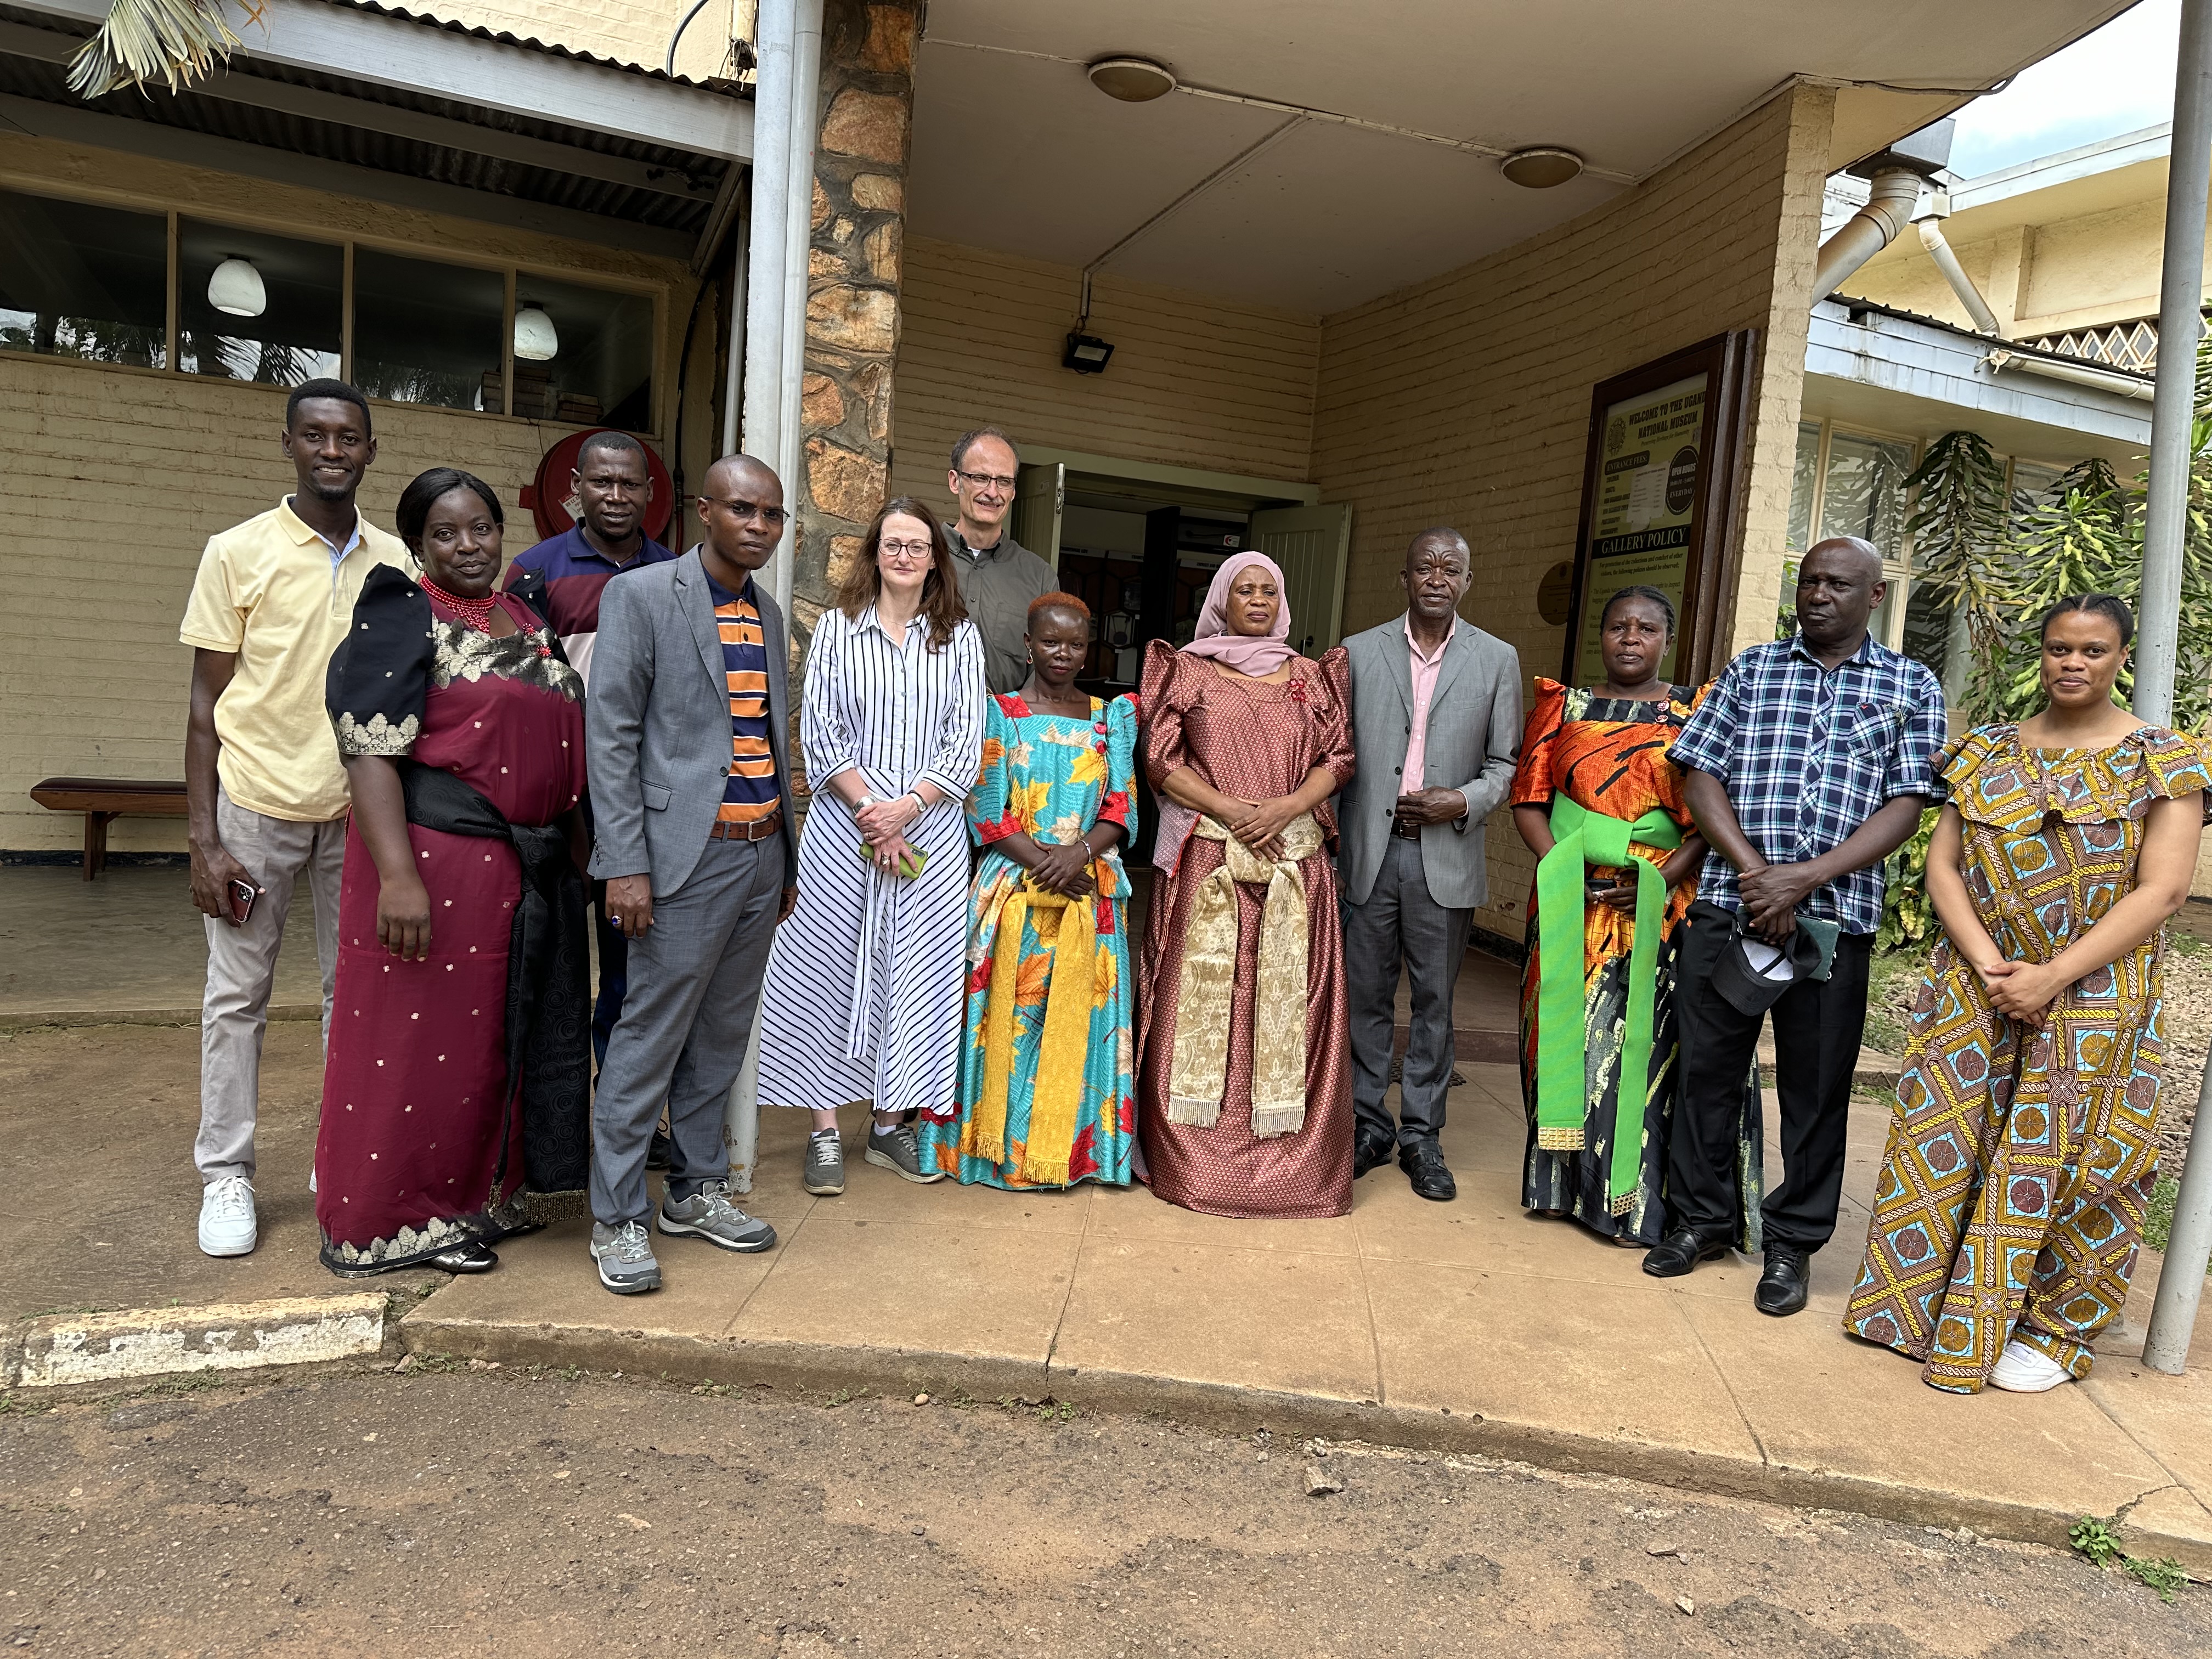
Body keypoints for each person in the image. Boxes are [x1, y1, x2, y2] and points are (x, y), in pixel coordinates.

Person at [1846, 595, 2208, 1393]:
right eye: (2058, 648)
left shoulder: (2165, 759)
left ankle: (2053, 1329)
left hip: (2097, 990)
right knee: (1947, 1139)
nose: (2072, 663)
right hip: (1979, 983)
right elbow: (1942, 865)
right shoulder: (1986, 752)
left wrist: (2053, 975)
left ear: (2122, 659)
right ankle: (1920, 1306)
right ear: (2039, 655)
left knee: (2081, 1156)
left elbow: (2165, 891)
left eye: (2092, 649)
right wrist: (1990, 965)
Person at [1649, 537, 1945, 1316]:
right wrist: (1756, 876)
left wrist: (1806, 879)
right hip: (1728, 907)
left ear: (1874, 597)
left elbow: (1908, 803)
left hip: (1834, 921)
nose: (1818, 595)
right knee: (1706, 1072)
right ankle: (1701, 1222)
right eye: (1809, 581)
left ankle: (1792, 1245)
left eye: (1838, 584)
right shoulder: (1751, 670)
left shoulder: (1910, 683)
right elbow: (1700, 771)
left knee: (1816, 1093)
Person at [317, 469, 591, 1276]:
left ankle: (480, 1199)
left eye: (480, 529)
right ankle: (394, 1221)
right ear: (416, 545)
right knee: (418, 1044)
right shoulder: (403, 613)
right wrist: (399, 879)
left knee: (494, 1043)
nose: (468, 546)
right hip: (437, 864)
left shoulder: (523, 614)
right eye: (446, 533)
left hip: (524, 870)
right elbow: (369, 748)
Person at [179, 378, 408, 1259]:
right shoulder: (236, 551)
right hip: (255, 811)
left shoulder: (394, 561)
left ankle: (337, 1157)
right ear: (288, 445)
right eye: (315, 436)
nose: (332, 450)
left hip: (357, 815)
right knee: (237, 996)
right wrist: (203, 841)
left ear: (369, 451)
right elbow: (204, 708)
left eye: (348, 437)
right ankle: (226, 1174)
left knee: (352, 996)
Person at [583, 454, 799, 1295]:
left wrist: (783, 858)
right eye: (743, 510)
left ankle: (696, 1190)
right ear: (705, 512)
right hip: (680, 860)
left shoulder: (769, 613)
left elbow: (771, 740)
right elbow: (613, 739)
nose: (758, 526)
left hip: (760, 853)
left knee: (720, 1036)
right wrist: (625, 864)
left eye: (772, 515)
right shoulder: (641, 597)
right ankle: (617, 1217)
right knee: (649, 1035)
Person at [756, 497, 986, 1195]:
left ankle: (889, 1124)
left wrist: (909, 808)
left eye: (919, 546)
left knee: (917, 976)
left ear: (936, 559)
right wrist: (871, 812)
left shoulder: (960, 638)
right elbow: (820, 729)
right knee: (827, 966)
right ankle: (825, 1130)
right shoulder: (836, 631)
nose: (906, 556)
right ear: (874, 553)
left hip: (930, 830)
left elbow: (965, 737)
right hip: (843, 827)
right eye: (894, 544)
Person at [1512, 587, 1740, 1248]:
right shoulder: (1565, 707)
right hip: (1567, 898)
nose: (1630, 639)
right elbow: (1529, 800)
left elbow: (1711, 812)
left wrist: (1662, 877)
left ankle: (1632, 1200)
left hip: (1662, 904)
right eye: (1618, 627)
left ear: (1667, 639)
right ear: (1602, 636)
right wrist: (1564, 873)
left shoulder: (1695, 710)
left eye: (1645, 629)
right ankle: (1559, 1186)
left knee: (1641, 1044)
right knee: (1562, 1036)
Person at [1138, 551, 1357, 1218]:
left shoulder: (1314, 677)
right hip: (1212, 865)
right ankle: (1196, 1164)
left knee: (1291, 1003)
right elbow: (1159, 758)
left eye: (1269, 591)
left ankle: (1296, 1169)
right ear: (1221, 602)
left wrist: (1285, 808)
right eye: (1244, 591)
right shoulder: (1188, 669)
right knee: (1205, 1001)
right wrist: (1234, 810)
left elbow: (1339, 758)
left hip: (1295, 866)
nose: (1258, 601)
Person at [921, 592, 1139, 1189]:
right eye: (1051, 641)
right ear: (1028, 644)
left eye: (1075, 643)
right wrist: (1045, 861)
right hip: (1013, 887)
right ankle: (996, 1153)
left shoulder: (1110, 717)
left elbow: (1123, 808)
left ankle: (1070, 1156)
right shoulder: (999, 713)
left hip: (1085, 885)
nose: (1063, 653)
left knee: (1078, 1017)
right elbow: (986, 809)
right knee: (1008, 1019)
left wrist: (1077, 854)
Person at [1339, 529, 1521, 1203]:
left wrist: (1461, 800)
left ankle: (1421, 1135)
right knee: (1365, 997)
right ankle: (1366, 1124)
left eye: (1451, 569)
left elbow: (1507, 766)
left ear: (1467, 581)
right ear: (1406, 577)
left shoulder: (1497, 659)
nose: (1437, 578)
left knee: (1438, 1004)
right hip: (1370, 854)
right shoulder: (1358, 652)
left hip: (1444, 856)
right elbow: (1335, 753)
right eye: (1425, 567)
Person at [502, 430, 677, 1082]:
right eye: (600, 482)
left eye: (628, 483)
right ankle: (543, 1112)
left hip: (637, 800)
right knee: (545, 954)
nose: (614, 495)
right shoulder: (535, 570)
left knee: (631, 961)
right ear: (573, 489)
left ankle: (624, 1101)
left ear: (650, 493)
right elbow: (514, 689)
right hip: (555, 796)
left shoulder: (674, 573)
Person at [943, 427, 1056, 694]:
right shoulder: (920, 557)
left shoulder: (1039, 577)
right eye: (980, 478)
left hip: (1003, 731)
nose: (993, 492)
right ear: (955, 481)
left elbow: (1046, 668)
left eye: (1004, 481)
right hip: (918, 727)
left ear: (1014, 491)